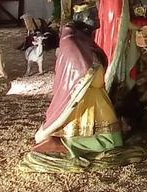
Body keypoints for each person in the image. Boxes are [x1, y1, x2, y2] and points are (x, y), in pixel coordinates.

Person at [31, 13, 123, 157]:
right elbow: (96, 80)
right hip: (90, 101)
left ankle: (62, 142)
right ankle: (65, 144)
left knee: (110, 139)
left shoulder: (72, 44)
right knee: (111, 141)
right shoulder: (79, 50)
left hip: (87, 98)